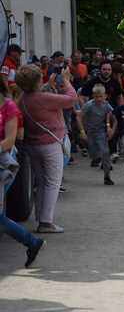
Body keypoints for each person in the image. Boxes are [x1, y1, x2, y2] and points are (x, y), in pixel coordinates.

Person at [17, 64, 77, 233]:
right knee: (53, 182)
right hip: (50, 144)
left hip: (32, 145)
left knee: (42, 182)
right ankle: (46, 222)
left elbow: (39, 97)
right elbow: (71, 99)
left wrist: (47, 85)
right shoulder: (42, 98)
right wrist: (66, 81)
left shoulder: (23, 98)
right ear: (36, 81)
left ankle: (41, 217)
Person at [0, 76, 46, 267]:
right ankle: (32, 243)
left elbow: (10, 141)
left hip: (3, 165)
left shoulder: (9, 107)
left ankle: (32, 242)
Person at [78, 84, 117, 185]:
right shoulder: (89, 105)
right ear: (93, 96)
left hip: (101, 132)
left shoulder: (106, 105)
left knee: (105, 152)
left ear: (105, 96)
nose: (99, 99)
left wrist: (112, 129)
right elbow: (79, 117)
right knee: (94, 154)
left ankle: (107, 177)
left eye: (101, 96)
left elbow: (115, 118)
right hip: (90, 132)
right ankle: (96, 158)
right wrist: (82, 131)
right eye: (96, 97)